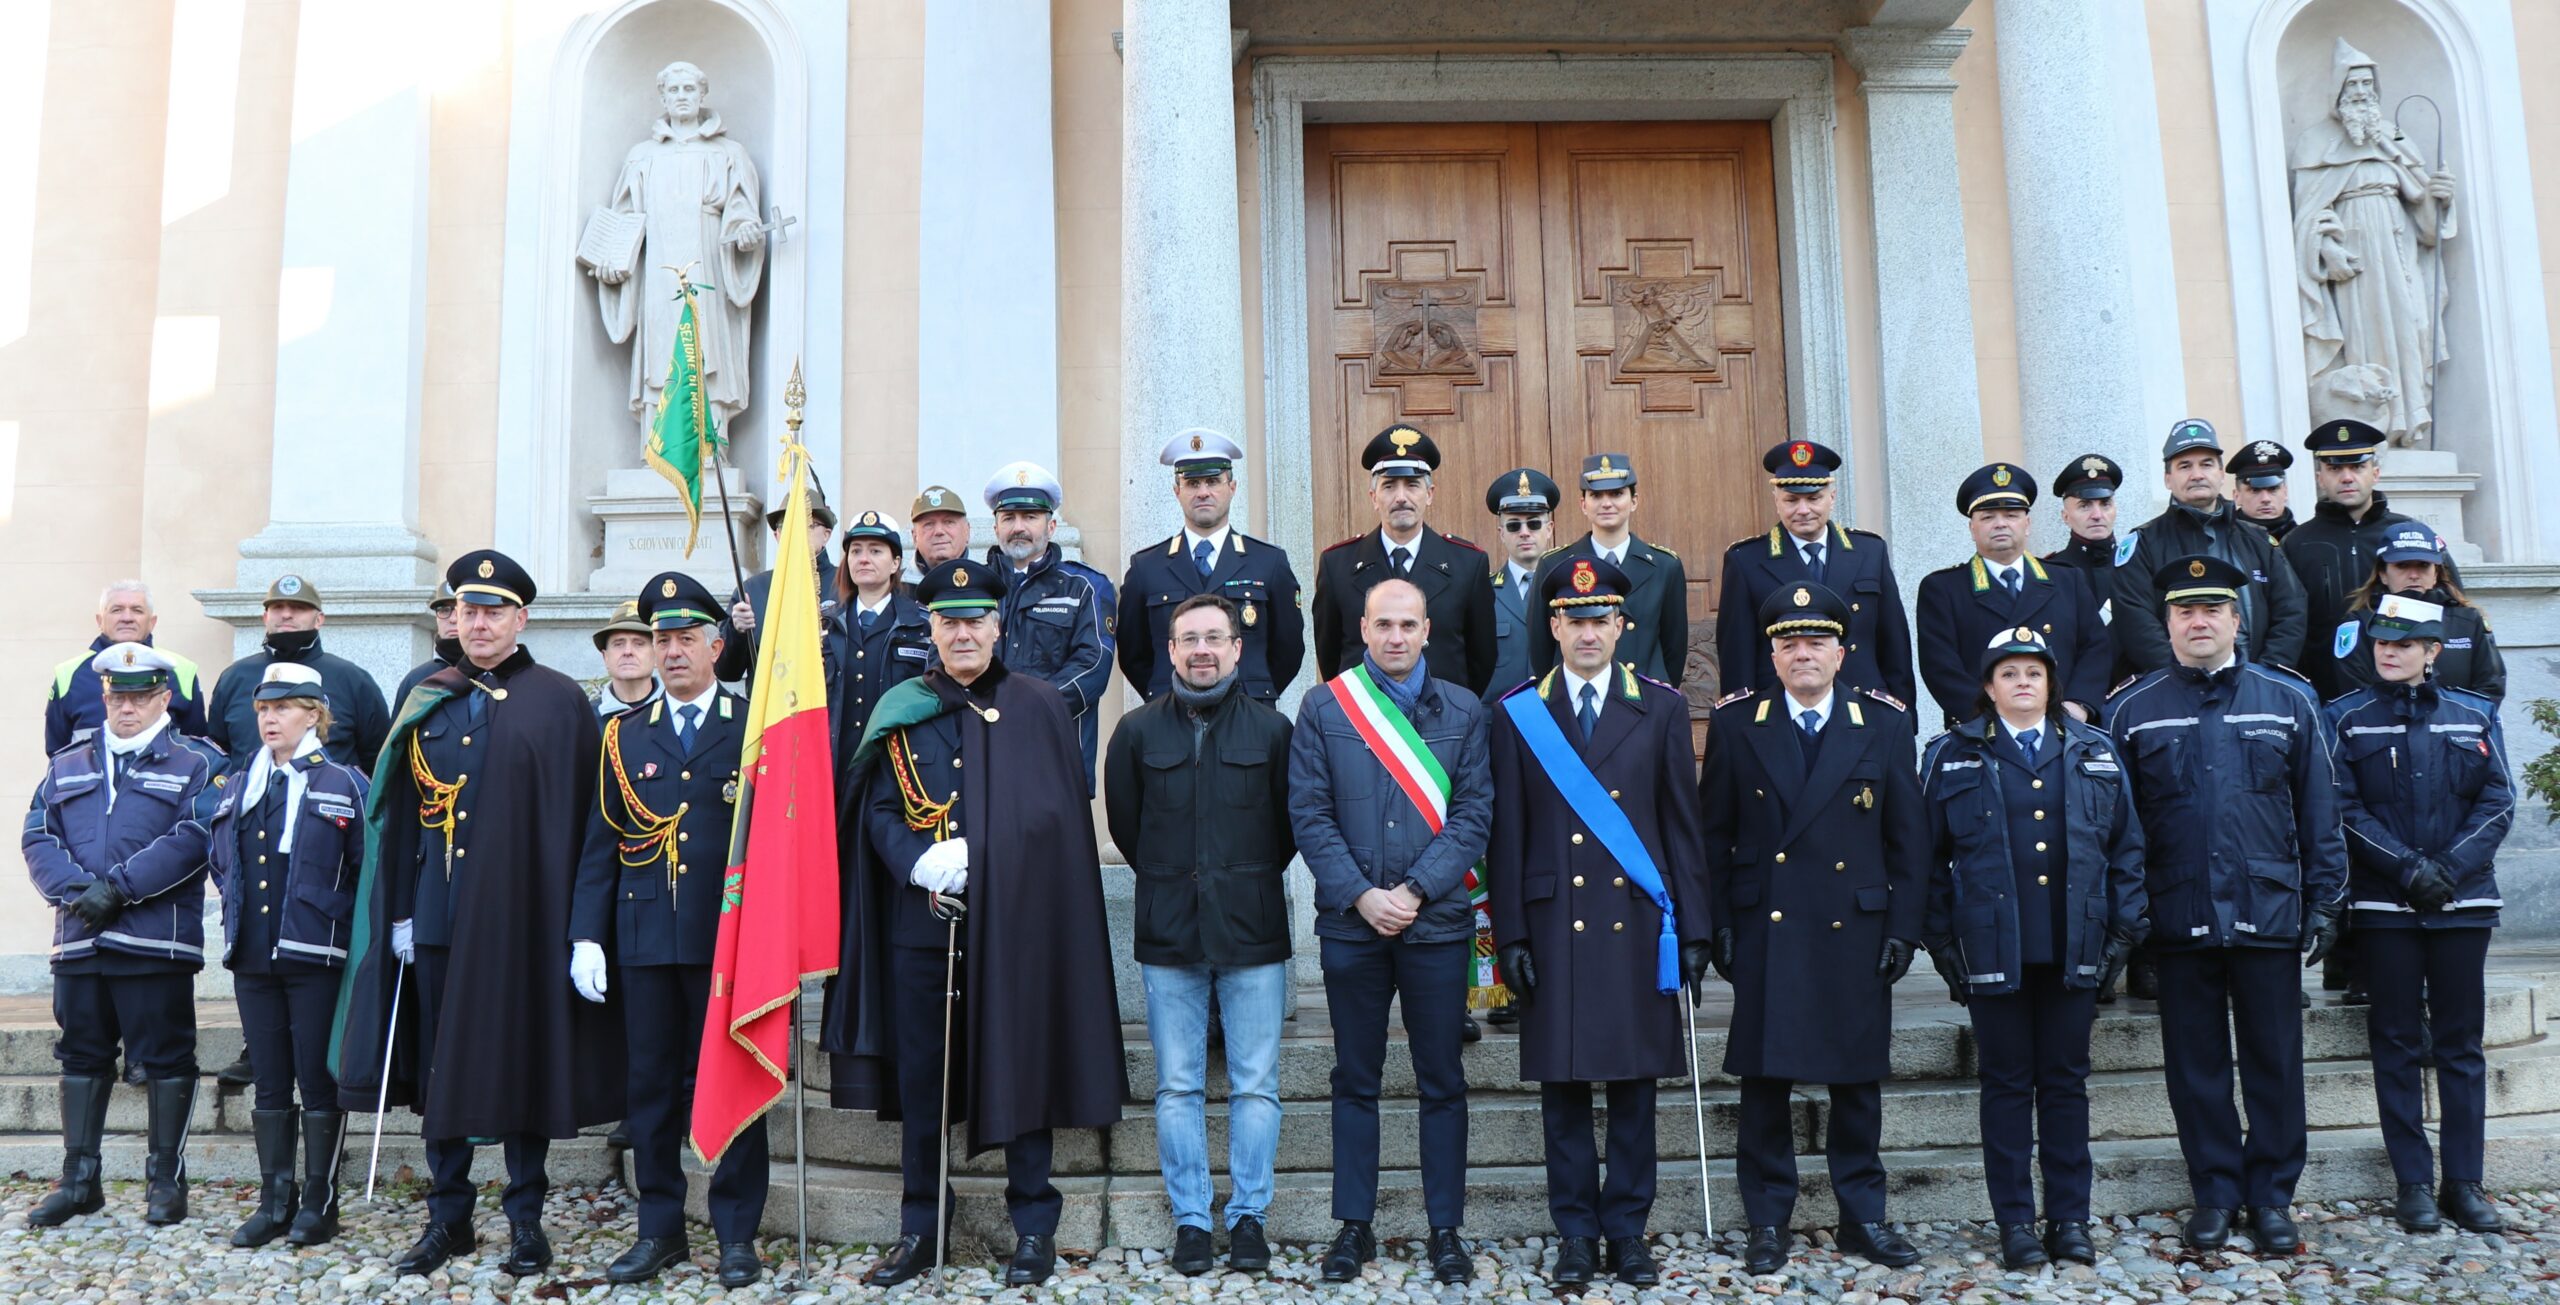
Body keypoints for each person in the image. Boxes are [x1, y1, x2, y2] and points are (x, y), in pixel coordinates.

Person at [823, 559, 1127, 1288]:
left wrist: (985, 850)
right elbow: (878, 809)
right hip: (922, 928)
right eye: (949, 621)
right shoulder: (901, 705)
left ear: (998, 627)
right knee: (923, 1080)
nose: (963, 633)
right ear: (931, 628)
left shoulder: (1039, 705)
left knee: (1022, 1066)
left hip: (1017, 928)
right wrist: (916, 861)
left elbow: (1056, 820)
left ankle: (1033, 1227)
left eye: (975, 620)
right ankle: (921, 1225)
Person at [330, 549, 623, 1280]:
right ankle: (448, 1216)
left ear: (522, 618)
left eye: (494, 611)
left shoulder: (560, 702)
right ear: (453, 618)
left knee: (524, 1063)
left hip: (527, 919)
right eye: (468, 610)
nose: (480, 623)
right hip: (438, 919)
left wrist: (583, 928)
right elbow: (398, 820)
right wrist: (399, 912)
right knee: (442, 1069)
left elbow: (592, 823)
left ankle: (526, 1217)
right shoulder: (426, 696)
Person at [2106, 555, 2345, 1255]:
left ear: (2238, 619)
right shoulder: (2132, 708)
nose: (2199, 620)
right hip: (2177, 915)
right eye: (2185, 610)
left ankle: (2271, 1195)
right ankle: (2214, 1189)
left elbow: (2320, 811)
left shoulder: (2290, 699)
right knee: (2196, 1064)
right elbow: (2119, 827)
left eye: (2213, 609)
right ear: (2167, 622)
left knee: (2274, 1060)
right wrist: (2129, 914)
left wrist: (2327, 898)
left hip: (2266, 909)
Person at [1487, 556, 1711, 1288]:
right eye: (1573, 619)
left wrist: (1697, 929)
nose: (1587, 632)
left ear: (1622, 625)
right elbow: (1509, 835)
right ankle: (1576, 1232)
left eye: (1600, 619)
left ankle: (1629, 1229)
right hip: (1555, 925)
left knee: (1634, 1089)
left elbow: (1683, 827)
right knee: (1563, 1091)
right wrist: (1511, 934)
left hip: (1639, 925)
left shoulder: (1663, 706)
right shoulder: (1519, 710)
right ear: (1553, 626)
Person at [1699, 582, 1926, 1275]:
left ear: (1841, 650)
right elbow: (1716, 833)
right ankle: (1767, 1219)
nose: (1804, 653)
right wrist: (1718, 925)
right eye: (1789, 642)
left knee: (1856, 1084)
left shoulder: (1883, 724)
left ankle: (1863, 1216)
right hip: (1769, 924)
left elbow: (1908, 842)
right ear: (1771, 653)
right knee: (1765, 1083)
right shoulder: (1738, 725)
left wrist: (1903, 928)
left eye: (1816, 641)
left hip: (1853, 928)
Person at [1920, 629, 2148, 1270]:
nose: (2023, 682)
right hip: (1994, 950)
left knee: (2067, 1086)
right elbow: (1926, 861)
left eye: (2035, 673)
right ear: (1988, 688)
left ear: (2052, 685)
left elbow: (2127, 850)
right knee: (2006, 1086)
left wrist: (2124, 935)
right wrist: (1941, 944)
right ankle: (2016, 1222)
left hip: (2074, 946)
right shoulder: (1950, 755)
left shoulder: (2094, 752)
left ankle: (2071, 1219)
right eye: (2009, 673)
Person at [1289, 577, 1491, 1285]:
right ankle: (1355, 1226)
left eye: (1409, 624)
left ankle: (1446, 1230)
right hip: (1353, 926)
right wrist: (1361, 894)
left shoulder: (1465, 710)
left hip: (1435, 926)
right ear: (1364, 630)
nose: (1396, 636)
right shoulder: (1324, 707)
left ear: (1428, 630)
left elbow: (1473, 816)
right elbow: (1309, 813)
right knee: (1355, 1077)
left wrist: (1411, 889)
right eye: (1384, 624)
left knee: (1442, 1079)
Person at [569, 572, 767, 1287]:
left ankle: (737, 1232)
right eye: (662, 639)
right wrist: (586, 934)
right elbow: (601, 840)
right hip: (646, 937)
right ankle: (660, 1229)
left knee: (734, 1083)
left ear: (718, 644)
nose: (674, 650)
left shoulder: (751, 726)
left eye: (687, 637)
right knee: (649, 1090)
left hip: (727, 941)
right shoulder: (623, 736)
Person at [1102, 593, 1295, 1277]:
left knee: (1256, 1085)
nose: (1203, 649)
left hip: (1253, 931)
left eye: (1217, 637)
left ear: (1238, 649)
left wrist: (1235, 881)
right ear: (1171, 650)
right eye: (1190, 639)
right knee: (1178, 1084)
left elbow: (1287, 830)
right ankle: (1191, 1218)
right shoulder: (1135, 733)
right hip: (1169, 931)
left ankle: (1248, 1217)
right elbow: (1128, 827)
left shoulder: (1275, 732)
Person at [2325, 594, 2513, 1235]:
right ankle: (2413, 1182)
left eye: (2404, 644)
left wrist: (2450, 870)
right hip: (2385, 906)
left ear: (2432, 651)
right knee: (2396, 1044)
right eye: (2382, 642)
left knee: (2460, 1045)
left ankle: (2465, 1181)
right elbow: (2342, 806)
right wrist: (2406, 868)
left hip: (2463, 903)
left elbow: (2498, 800)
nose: (2389, 652)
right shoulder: (2345, 718)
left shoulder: (2474, 714)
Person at [22, 642, 224, 1227]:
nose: (128, 707)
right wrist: (78, 892)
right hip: (81, 940)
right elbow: (38, 834)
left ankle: (166, 1181)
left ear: (165, 698)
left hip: (154, 941)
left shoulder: (197, 761)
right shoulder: (69, 761)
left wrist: (120, 888)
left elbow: (195, 834)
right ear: (105, 696)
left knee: (164, 1059)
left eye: (141, 696)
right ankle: (79, 1180)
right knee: (82, 1056)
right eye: (118, 696)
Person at [206, 662, 365, 1247]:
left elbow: (363, 870)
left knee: (317, 1077)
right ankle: (277, 1198)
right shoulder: (241, 780)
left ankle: (320, 1201)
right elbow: (224, 858)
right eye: (264, 709)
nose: (271, 718)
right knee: (270, 1081)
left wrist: (341, 922)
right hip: (252, 951)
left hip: (315, 952)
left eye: (285, 707)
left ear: (314, 714)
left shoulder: (343, 782)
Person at [1716, 440, 1916, 708]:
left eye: (1813, 498)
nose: (1803, 510)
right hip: (1780, 713)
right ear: (1776, 500)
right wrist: (1741, 724)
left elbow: (1895, 645)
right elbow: (1736, 656)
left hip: (1865, 709)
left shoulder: (1870, 551)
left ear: (1831, 497)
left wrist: (1904, 719)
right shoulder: (1746, 560)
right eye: (1791, 500)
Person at [1118, 429, 1307, 705]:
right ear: (1177, 491)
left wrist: (1253, 692)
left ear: (1232, 488)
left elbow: (1288, 650)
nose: (1203, 492)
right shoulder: (1146, 567)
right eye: (1193, 483)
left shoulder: (1269, 563)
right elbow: (1134, 654)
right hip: (1169, 716)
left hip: (1248, 715)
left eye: (1213, 481)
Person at [1915, 464, 2111, 729]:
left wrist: (2078, 706)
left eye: (2011, 515)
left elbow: (2095, 648)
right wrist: (1989, 719)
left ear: (2027, 524)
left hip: (2063, 729)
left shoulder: (2067, 580)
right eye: (1987, 517)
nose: (2000, 524)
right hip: (1983, 733)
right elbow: (1940, 667)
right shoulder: (1943, 589)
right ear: (1972, 528)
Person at [2109, 419, 2309, 676]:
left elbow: (2291, 610)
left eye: (2206, 464)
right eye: (2185, 466)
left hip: (2257, 687)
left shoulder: (2259, 541)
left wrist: (2266, 676)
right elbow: (2136, 622)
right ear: (2168, 479)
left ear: (2221, 473)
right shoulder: (2144, 543)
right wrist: (2181, 676)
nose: (2197, 475)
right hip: (2176, 691)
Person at [1309, 425, 1498, 695]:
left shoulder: (1467, 564)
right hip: (1365, 720)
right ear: (1374, 497)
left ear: (1429, 494)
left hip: (1443, 721)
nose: (1401, 498)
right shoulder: (1337, 565)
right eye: (1388, 486)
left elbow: (1482, 659)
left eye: (1412, 485)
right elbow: (1329, 657)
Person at [2283, 419, 2455, 700]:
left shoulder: (2410, 534)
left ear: (2374, 473)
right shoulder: (2298, 542)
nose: (2347, 477)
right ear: (2320, 478)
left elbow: (2451, 605)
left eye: (2357, 467)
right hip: (2324, 693)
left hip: (2410, 692)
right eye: (2335, 468)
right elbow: (2288, 619)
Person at [982, 462, 1113, 789]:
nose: (1019, 527)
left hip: (1056, 751)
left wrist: (1027, 707)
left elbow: (1093, 665)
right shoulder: (975, 589)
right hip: (980, 748)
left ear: (1051, 526)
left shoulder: (1084, 586)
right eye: (1009, 518)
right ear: (996, 528)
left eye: (1030, 517)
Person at [1527, 454, 1689, 687]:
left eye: (1616, 494)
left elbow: (1674, 649)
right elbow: (1541, 647)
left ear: (1634, 501)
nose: (1606, 503)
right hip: (1578, 697)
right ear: (1583, 504)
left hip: (1644, 698)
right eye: (1596, 495)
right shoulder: (1555, 564)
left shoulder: (1665, 565)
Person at [206, 575, 392, 774]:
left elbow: (378, 759)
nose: (286, 614)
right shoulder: (235, 677)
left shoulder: (352, 679)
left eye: (298, 607)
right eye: (277, 607)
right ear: (265, 617)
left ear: (319, 619)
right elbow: (217, 755)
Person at [828, 510, 933, 801]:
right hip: (835, 770)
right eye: (856, 551)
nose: (863, 559)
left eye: (875, 551)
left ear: (895, 563)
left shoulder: (922, 624)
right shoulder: (823, 625)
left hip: (899, 768)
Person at [2336, 525, 2503, 700]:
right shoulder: (2361, 624)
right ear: (2383, 574)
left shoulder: (2468, 620)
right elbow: (2355, 693)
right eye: (2402, 565)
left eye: (2423, 565)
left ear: (2436, 574)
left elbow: (2490, 687)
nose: (2414, 575)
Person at [45, 581, 209, 754]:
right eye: (117, 610)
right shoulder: (68, 674)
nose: (127, 618)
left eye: (137, 610)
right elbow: (57, 751)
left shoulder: (182, 670)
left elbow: (195, 748)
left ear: (152, 622)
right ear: (99, 620)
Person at [717, 485, 841, 683]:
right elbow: (726, 672)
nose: (797, 531)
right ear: (777, 535)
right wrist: (737, 631)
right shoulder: (752, 589)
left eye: (808, 524)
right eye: (788, 524)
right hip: (770, 710)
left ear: (826, 535)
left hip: (828, 708)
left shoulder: (846, 585)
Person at [1481, 467, 1559, 705]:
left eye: (1534, 524)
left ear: (1549, 529)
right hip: (1499, 722)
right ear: (1501, 533)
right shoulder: (1482, 593)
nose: (1524, 533)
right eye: (1514, 526)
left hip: (1557, 721)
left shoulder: (1565, 591)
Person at [2042, 454, 2125, 575]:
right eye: (2084, 506)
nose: (2097, 515)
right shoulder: (2050, 572)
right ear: (2065, 517)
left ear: (2115, 510)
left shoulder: (2137, 566)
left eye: (2105, 504)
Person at [393, 582, 464, 712]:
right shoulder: (416, 680)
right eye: (444, 610)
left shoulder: (494, 674)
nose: (453, 619)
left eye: (461, 610)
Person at [591, 599, 661, 716]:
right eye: (618, 644)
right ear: (605, 657)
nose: (628, 651)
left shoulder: (673, 711)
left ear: (656, 655)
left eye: (639, 644)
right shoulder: (587, 717)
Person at [2227, 439, 2298, 542]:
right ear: (2237, 496)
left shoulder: (2306, 540)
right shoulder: (2225, 542)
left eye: (2273, 489)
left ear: (2285, 492)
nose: (2265, 499)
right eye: (2255, 490)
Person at [910, 484, 970, 569]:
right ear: (914, 536)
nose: (939, 531)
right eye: (929, 524)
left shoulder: (987, 581)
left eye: (949, 522)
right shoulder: (896, 582)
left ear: (967, 532)